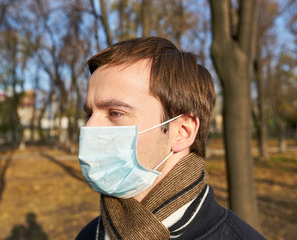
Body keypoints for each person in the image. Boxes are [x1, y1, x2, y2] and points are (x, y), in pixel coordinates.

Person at [76, 37, 265, 240]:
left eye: (115, 113)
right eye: (89, 114)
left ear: (183, 131)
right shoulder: (90, 235)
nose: (89, 128)